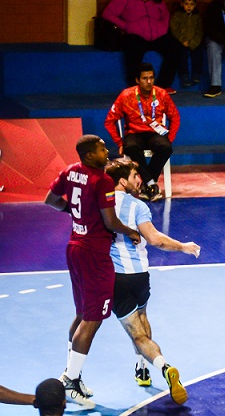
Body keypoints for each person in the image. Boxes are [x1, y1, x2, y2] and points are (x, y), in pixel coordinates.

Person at [44, 135, 142, 410]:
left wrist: (74, 215)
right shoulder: (103, 181)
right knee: (93, 319)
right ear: (89, 155)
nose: (106, 151)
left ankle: (73, 375)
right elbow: (110, 220)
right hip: (95, 255)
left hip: (74, 248)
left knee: (81, 314)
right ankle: (70, 379)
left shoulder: (70, 171)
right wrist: (131, 231)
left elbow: (50, 200)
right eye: (101, 149)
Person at [105, 158, 199, 405]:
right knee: (143, 321)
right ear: (123, 181)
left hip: (115, 277)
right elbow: (155, 239)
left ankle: (164, 367)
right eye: (136, 175)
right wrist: (183, 246)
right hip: (139, 276)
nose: (140, 180)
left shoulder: (100, 203)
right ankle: (142, 368)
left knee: (137, 333)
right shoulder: (137, 206)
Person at [104, 62, 181, 202]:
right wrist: (119, 142)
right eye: (145, 78)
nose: (149, 81)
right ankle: (151, 184)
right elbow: (109, 121)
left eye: (151, 78)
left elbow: (175, 116)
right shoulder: (126, 95)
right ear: (137, 80)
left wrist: (170, 137)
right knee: (131, 147)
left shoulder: (161, 94)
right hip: (134, 133)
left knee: (166, 147)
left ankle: (147, 183)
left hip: (155, 133)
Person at [101, 0, 179, 93]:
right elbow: (108, 14)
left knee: (175, 48)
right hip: (135, 35)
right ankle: (135, 87)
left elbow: (166, 16)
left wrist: (163, 28)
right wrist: (126, 26)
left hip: (157, 35)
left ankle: (162, 86)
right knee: (133, 51)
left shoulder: (157, 0)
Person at [169, 0, 204, 88]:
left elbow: (199, 31)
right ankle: (184, 75)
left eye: (191, 4)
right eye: (186, 4)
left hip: (193, 42)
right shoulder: (177, 15)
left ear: (195, 5)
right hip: (181, 42)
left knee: (198, 54)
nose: (189, 7)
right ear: (182, 4)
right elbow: (174, 29)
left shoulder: (197, 17)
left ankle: (196, 73)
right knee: (182, 56)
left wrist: (193, 43)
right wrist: (182, 40)